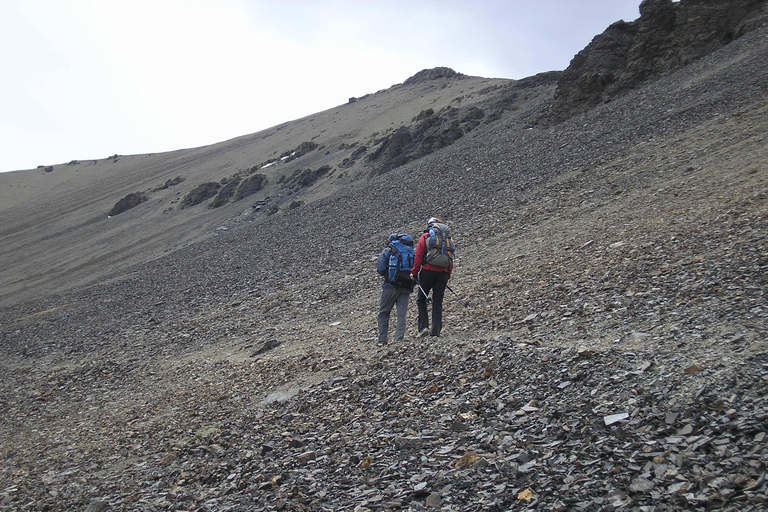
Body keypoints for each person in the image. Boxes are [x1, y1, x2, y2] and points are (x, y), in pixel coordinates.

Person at [411, 217, 454, 337]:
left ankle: (423, 327)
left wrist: (414, 272)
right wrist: (447, 275)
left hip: (427, 271)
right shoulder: (448, 239)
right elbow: (451, 259)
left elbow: (418, 256)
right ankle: (436, 331)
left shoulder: (425, 237)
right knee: (437, 302)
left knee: (421, 299)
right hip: (443, 273)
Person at [376, 233, 415, 345]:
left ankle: (382, 340)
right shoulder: (410, 250)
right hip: (407, 285)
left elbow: (380, 269)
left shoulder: (390, 249)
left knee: (384, 312)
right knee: (401, 314)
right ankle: (399, 339)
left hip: (390, 286)